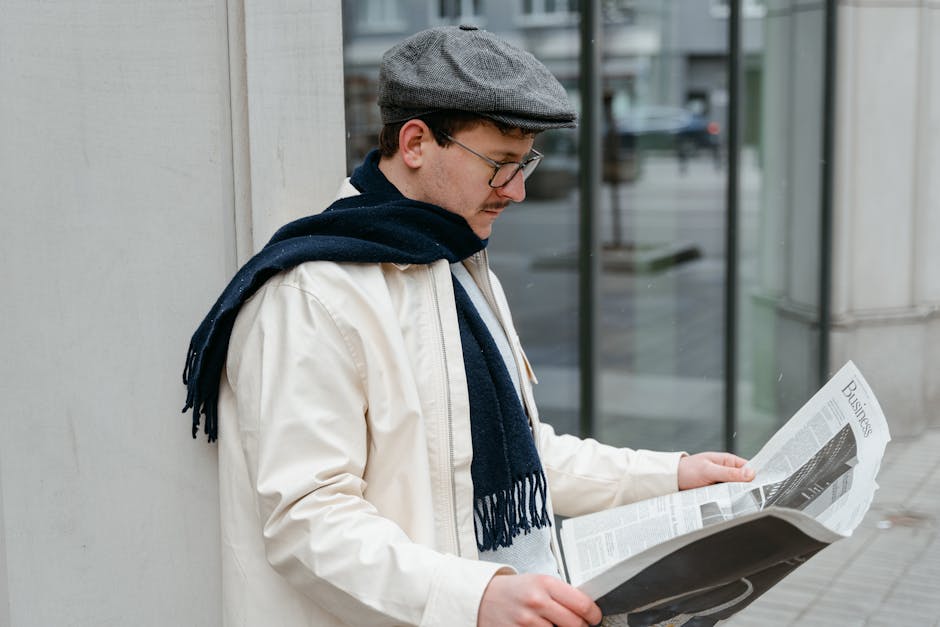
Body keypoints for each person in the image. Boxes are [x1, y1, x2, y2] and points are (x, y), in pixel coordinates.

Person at [182, 25, 754, 627]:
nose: (519, 190)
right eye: (500, 164)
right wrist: (475, 598)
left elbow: (517, 456)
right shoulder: (312, 298)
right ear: (416, 142)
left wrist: (671, 476)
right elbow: (308, 521)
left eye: (526, 162)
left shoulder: (452, 265)